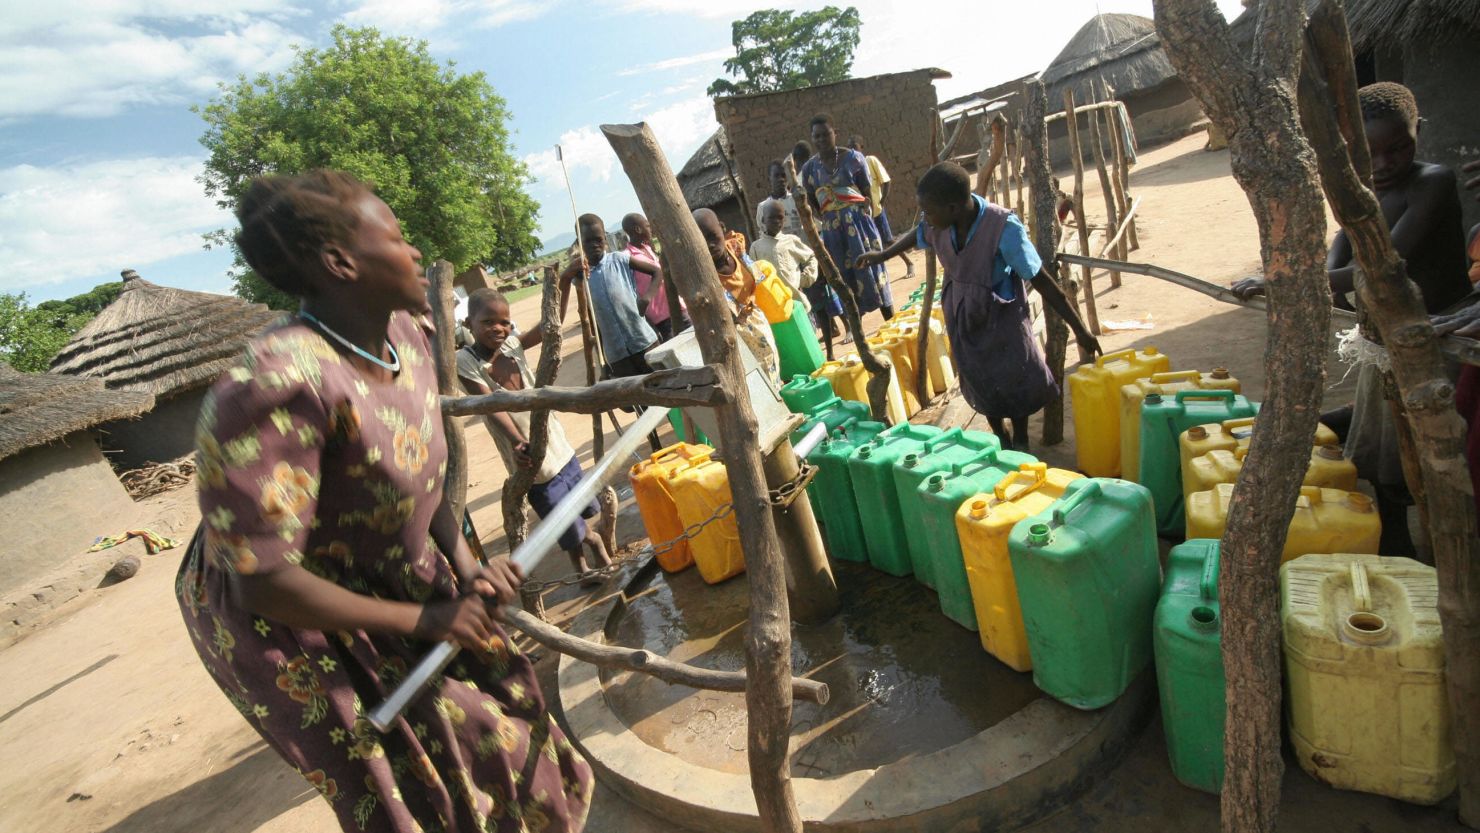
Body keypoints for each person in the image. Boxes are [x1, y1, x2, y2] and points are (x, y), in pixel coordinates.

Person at [176, 170, 592, 833]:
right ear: (341, 262)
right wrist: (425, 620)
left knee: (502, 725)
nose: (415, 252)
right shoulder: (274, 387)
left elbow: (420, 475)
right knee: (421, 778)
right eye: (396, 237)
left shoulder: (409, 335)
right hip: (299, 616)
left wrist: (464, 561)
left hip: (389, 560)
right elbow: (264, 581)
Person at [1236, 84, 1469, 554]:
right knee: (1384, 449)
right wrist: (1314, 279)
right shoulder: (1361, 193)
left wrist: (1286, 282)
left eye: (1398, 147)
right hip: (1385, 340)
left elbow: (1380, 267)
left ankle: (1439, 553)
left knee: (1431, 453)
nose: (1384, 163)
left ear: (1417, 132)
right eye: (1369, 153)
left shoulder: (1432, 183)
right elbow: (1339, 257)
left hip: (1438, 339)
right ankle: (1397, 542)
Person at [858, 161, 1101, 451]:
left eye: (929, 211)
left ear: (952, 209)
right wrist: (883, 254)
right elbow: (919, 232)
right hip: (962, 316)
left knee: (1015, 376)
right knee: (978, 378)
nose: (925, 218)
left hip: (1001, 321)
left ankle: (1021, 436)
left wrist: (1080, 330)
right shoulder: (939, 223)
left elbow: (1042, 280)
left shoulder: (1002, 228)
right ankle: (1001, 434)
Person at [457, 289, 613, 581]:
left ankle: (591, 548)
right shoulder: (465, 362)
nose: (498, 328)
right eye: (488, 321)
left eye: (504, 322)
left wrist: (565, 281)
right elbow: (492, 406)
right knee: (560, 517)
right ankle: (587, 559)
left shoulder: (513, 345)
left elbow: (549, 325)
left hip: (557, 444)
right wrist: (517, 441)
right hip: (528, 455)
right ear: (469, 324)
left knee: (577, 505)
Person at [559, 213, 663, 452]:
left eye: (598, 239)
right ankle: (656, 447)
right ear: (580, 244)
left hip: (643, 341)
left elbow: (657, 273)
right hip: (617, 354)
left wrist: (646, 298)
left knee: (663, 395)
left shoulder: (620, 260)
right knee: (638, 406)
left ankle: (679, 438)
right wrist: (603, 361)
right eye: (588, 242)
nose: (594, 245)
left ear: (605, 238)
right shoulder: (581, 277)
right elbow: (582, 319)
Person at [801, 113, 895, 322]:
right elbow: (812, 201)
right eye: (816, 136)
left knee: (873, 269)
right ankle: (859, 334)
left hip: (860, 227)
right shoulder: (809, 169)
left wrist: (855, 213)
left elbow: (866, 192)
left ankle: (891, 320)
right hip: (834, 234)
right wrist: (832, 217)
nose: (821, 140)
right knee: (845, 278)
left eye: (826, 134)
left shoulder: (854, 158)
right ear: (812, 138)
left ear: (836, 133)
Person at [692, 207, 782, 384]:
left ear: (722, 227)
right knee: (754, 382)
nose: (709, 244)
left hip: (757, 320)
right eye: (701, 240)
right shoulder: (702, 275)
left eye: (712, 236)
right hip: (734, 336)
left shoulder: (736, 248)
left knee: (773, 372)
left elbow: (755, 280)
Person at [751, 198, 823, 315]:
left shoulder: (791, 241)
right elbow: (754, 276)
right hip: (775, 309)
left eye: (780, 218)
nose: (776, 221)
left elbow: (811, 257)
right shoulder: (756, 248)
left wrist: (806, 278)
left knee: (807, 332)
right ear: (763, 220)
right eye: (772, 218)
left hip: (799, 304)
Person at [621, 212, 684, 341]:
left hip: (678, 308)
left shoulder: (648, 249)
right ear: (638, 229)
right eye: (648, 226)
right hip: (662, 319)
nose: (651, 229)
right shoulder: (627, 258)